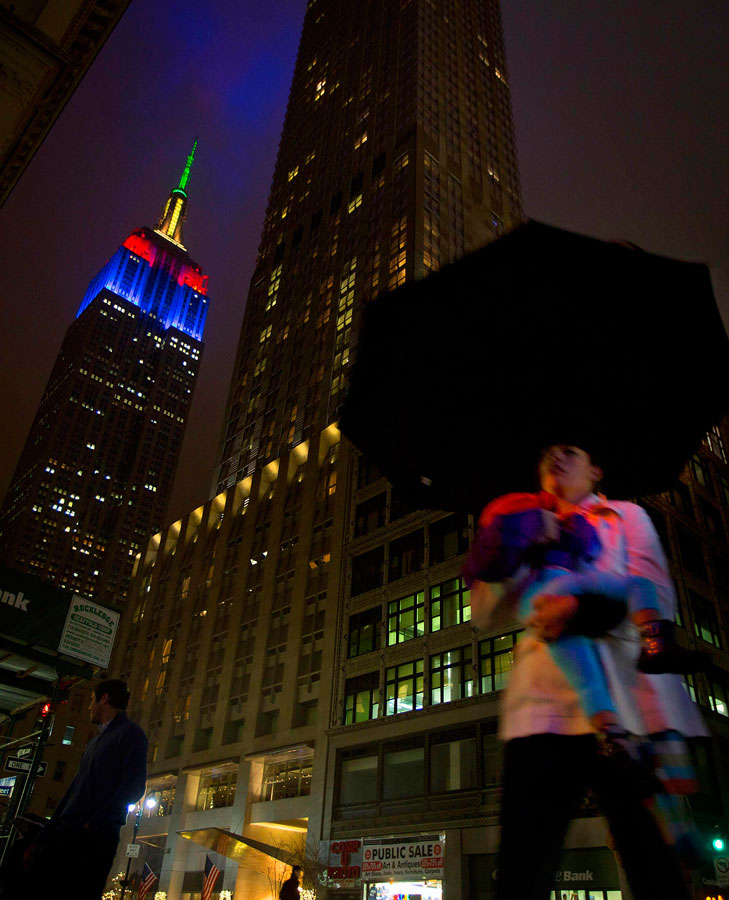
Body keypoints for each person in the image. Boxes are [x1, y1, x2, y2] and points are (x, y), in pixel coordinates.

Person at [464, 444, 707, 900]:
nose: (555, 456)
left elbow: (654, 592)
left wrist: (585, 606)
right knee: (523, 865)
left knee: (651, 861)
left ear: (596, 470)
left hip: (627, 708)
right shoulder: (520, 523)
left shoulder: (625, 517)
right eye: (546, 453)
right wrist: (515, 545)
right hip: (542, 709)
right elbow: (484, 614)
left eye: (570, 451)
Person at [23, 678, 147, 900]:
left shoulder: (131, 734)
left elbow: (134, 786)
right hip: (68, 834)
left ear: (104, 698)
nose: (89, 706)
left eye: (91, 700)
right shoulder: (94, 743)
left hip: (93, 839)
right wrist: (41, 838)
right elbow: (73, 791)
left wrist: (94, 823)